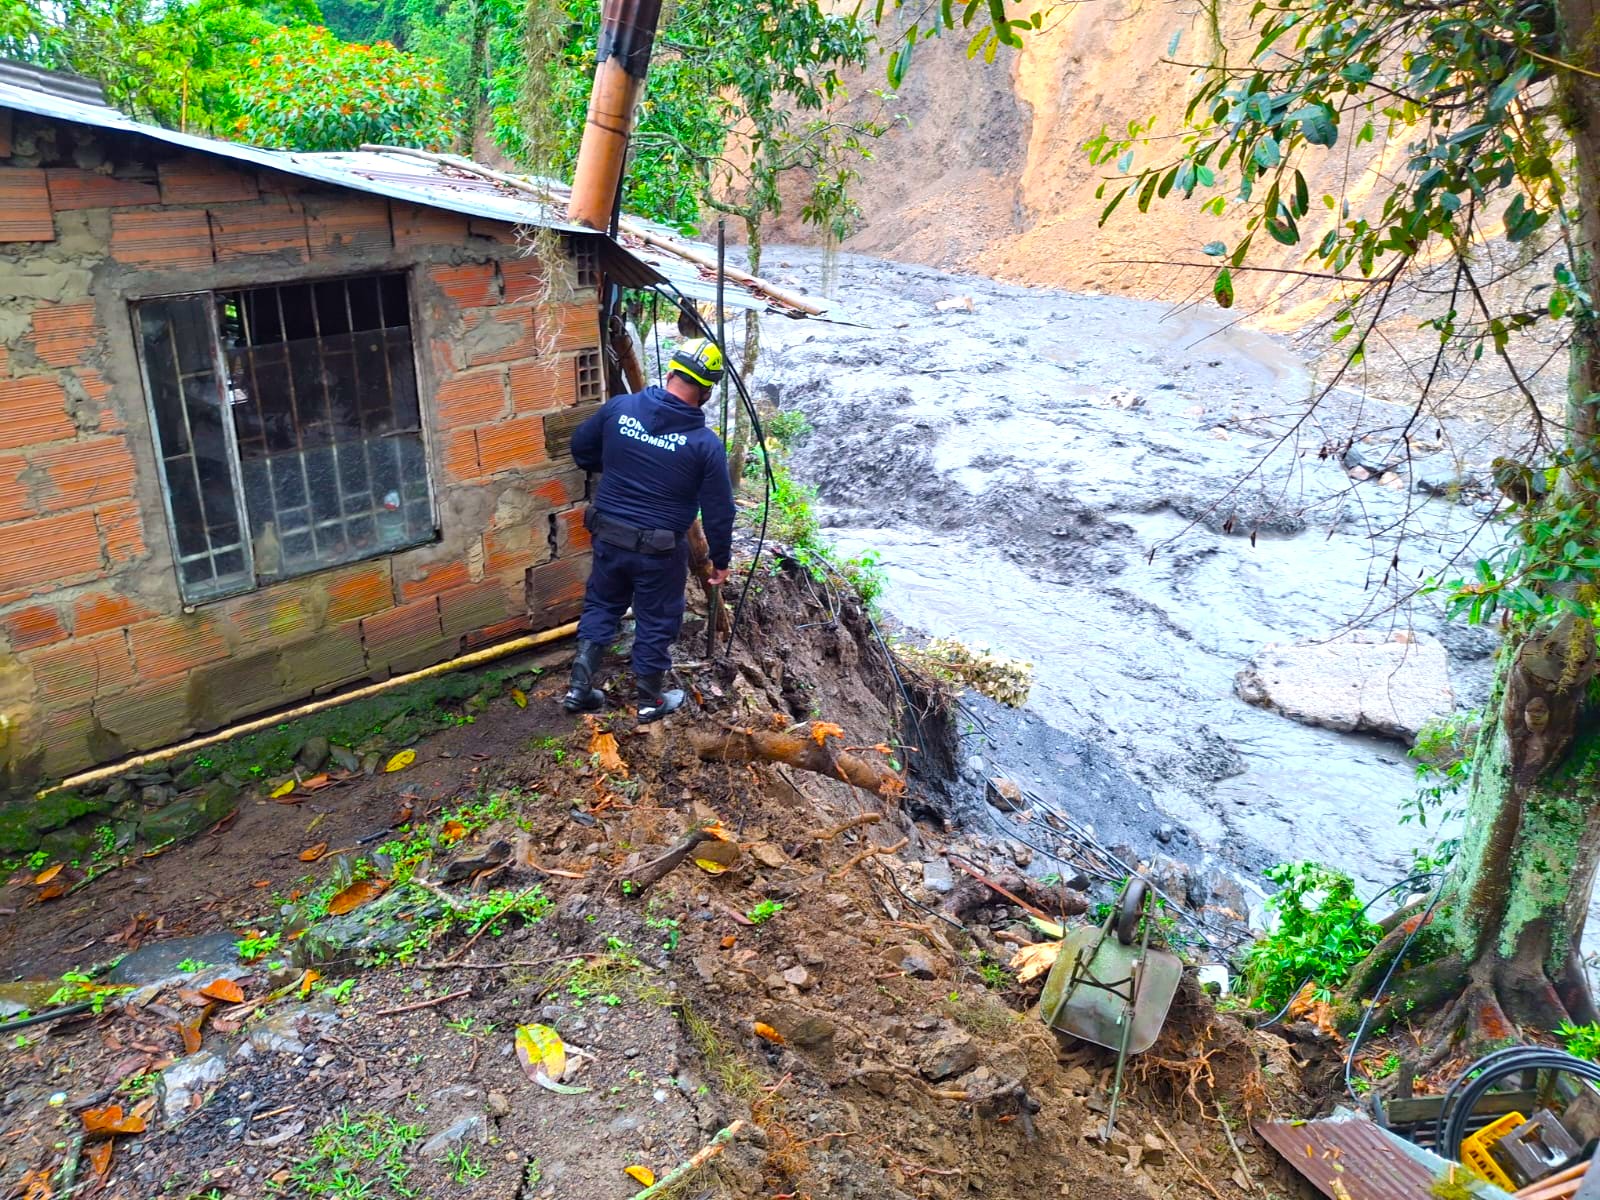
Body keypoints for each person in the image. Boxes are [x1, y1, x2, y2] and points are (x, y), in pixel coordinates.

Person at [563, 337, 735, 722]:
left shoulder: (620, 409)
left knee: (603, 604)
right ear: (706, 392)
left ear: (671, 372)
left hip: (608, 531)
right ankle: (649, 699)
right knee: (656, 618)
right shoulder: (704, 445)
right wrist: (719, 561)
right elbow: (719, 510)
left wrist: (624, 464)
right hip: (659, 549)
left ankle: (579, 688)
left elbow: (581, 451)